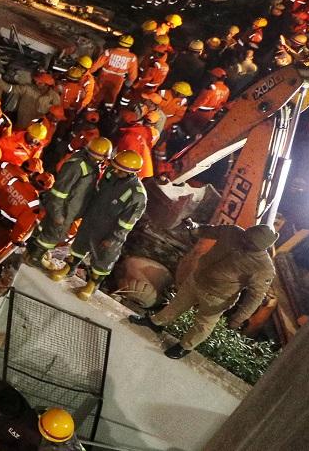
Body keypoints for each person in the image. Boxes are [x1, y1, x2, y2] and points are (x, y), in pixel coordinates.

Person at [131, 221, 277, 359]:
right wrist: (194, 227)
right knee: (177, 304)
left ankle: (185, 347)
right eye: (246, 236)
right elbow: (210, 230)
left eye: (250, 243)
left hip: (218, 297)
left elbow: (256, 296)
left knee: (203, 324)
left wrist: (239, 318)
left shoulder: (264, 267)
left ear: (261, 247)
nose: (244, 241)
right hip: (197, 280)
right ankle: (156, 323)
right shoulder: (233, 232)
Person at [49, 150, 147, 300]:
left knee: (103, 259)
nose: (115, 170)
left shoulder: (137, 195)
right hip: (92, 219)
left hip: (109, 230)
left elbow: (127, 224)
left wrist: (112, 239)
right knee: (79, 246)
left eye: (120, 170)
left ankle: (92, 285)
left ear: (131, 172)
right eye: (115, 166)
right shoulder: (111, 173)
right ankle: (69, 268)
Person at [26, 137, 113, 268]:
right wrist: (58, 214)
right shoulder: (78, 166)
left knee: (45, 230)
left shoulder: (91, 166)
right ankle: (34, 257)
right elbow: (59, 192)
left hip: (67, 210)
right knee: (52, 236)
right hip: (63, 211)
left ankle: (31, 251)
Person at [88, 35, 139, 109]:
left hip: (103, 77)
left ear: (119, 42)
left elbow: (96, 65)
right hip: (118, 81)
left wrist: (88, 73)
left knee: (97, 95)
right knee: (111, 97)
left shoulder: (109, 52)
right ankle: (107, 112)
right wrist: (128, 83)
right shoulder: (132, 57)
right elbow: (133, 75)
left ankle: (90, 110)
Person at [183, 68, 230, 133]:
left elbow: (203, 100)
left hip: (197, 113)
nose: (210, 77)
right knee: (195, 132)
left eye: (211, 75)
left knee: (184, 127)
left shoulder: (210, 87)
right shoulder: (226, 90)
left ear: (215, 77)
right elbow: (222, 104)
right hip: (209, 115)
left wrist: (191, 108)